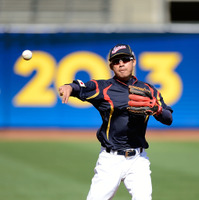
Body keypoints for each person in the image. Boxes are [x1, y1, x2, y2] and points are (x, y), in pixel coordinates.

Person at [59, 44, 173, 200]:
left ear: (133, 61)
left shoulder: (149, 90)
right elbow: (81, 87)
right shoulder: (104, 88)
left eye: (125, 59)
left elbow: (168, 119)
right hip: (110, 160)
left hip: (138, 159)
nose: (121, 63)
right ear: (111, 66)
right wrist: (69, 87)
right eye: (116, 61)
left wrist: (157, 109)